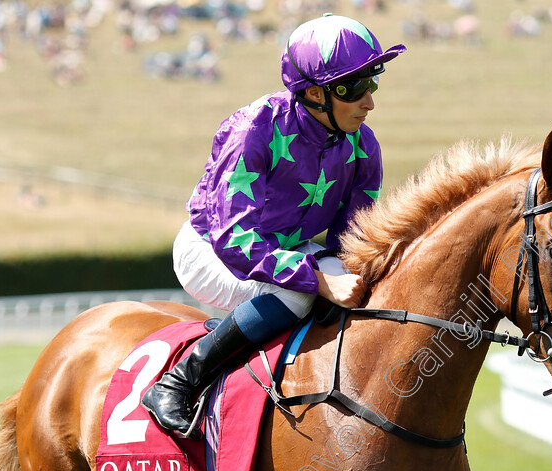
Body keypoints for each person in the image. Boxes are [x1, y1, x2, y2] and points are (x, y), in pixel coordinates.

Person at [141, 14, 406, 437]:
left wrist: (343, 275)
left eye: (371, 83)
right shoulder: (254, 129)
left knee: (352, 284)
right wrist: (316, 281)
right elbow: (234, 239)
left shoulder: (363, 146)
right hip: (210, 250)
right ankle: (178, 382)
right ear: (315, 92)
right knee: (299, 294)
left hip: (282, 249)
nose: (368, 101)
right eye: (353, 87)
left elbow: (351, 242)